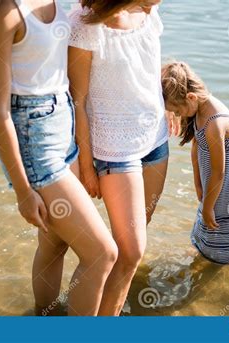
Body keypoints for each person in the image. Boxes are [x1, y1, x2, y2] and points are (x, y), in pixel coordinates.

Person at [0, 0, 118, 316]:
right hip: (34, 138)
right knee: (102, 254)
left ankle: (44, 317)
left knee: (55, 243)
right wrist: (24, 193)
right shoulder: (1, 12)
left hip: (63, 124)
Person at [68, 0, 174, 315]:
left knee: (136, 236)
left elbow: (147, 69)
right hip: (114, 150)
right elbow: (78, 100)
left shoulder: (151, 14)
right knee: (131, 252)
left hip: (155, 139)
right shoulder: (84, 26)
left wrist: (166, 103)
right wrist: (86, 165)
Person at [161, 62, 229, 265]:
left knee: (218, 236)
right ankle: (206, 259)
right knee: (208, 232)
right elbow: (196, 146)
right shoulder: (200, 107)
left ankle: (216, 269)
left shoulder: (214, 123)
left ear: (190, 97)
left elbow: (219, 172)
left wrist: (207, 206)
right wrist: (198, 184)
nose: (178, 116)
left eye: (178, 111)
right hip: (218, 185)